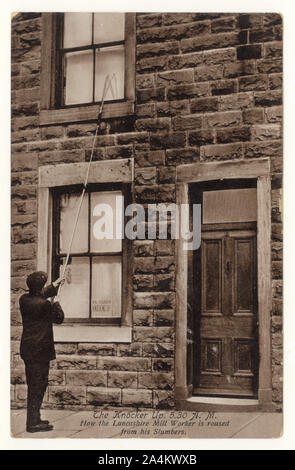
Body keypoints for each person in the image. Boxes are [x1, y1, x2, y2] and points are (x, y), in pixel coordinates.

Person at [19, 271, 65, 433]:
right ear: (39, 286)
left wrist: (54, 286)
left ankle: (34, 418)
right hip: (40, 352)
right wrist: (57, 302)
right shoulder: (44, 305)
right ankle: (32, 423)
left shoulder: (24, 300)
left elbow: (39, 295)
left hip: (28, 350)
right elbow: (59, 318)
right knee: (39, 385)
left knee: (33, 384)